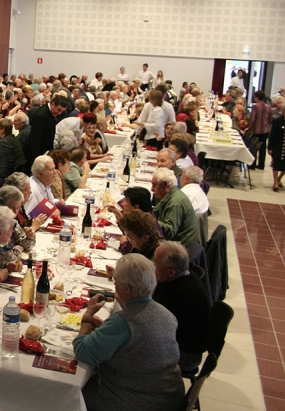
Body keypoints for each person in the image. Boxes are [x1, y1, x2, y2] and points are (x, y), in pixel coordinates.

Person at [73, 253, 184, 411]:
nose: (114, 284)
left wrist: (87, 319)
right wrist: (106, 329)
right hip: (168, 396)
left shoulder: (122, 322)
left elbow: (82, 351)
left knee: (63, 393)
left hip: (132, 400)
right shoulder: (166, 314)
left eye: (115, 280)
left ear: (126, 288)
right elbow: (137, 343)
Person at [153, 241, 212, 373]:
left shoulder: (184, 294)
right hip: (177, 341)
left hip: (185, 353)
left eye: (156, 264)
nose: (153, 266)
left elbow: (158, 328)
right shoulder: (176, 278)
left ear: (171, 272)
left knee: (130, 353)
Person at [152, 168, 198, 246]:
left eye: (154, 185)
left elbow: (169, 232)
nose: (152, 189)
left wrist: (149, 220)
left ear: (165, 184)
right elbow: (154, 212)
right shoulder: (171, 194)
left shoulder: (175, 203)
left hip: (180, 248)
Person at [24, 96, 68, 170]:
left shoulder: (50, 112)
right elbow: (35, 141)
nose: (60, 113)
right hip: (38, 154)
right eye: (59, 110)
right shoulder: (41, 116)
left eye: (61, 111)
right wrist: (37, 160)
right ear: (53, 104)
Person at [247, 91, 271, 169]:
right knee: (262, 147)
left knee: (254, 147)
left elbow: (253, 118)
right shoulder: (268, 106)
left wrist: (249, 127)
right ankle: (261, 165)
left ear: (257, 97)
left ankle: (253, 164)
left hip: (256, 129)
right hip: (265, 129)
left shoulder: (255, 106)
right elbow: (269, 118)